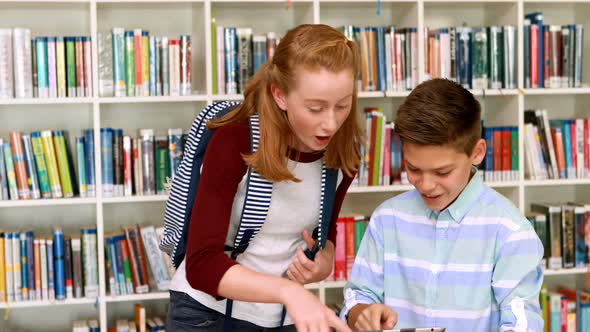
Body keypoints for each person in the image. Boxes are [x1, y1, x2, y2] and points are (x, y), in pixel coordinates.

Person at [166, 24, 361, 332]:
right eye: (315, 107)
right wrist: (289, 291)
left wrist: (320, 265)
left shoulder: (343, 154)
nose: (331, 123)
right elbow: (202, 264)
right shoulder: (236, 141)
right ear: (280, 95)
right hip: (206, 315)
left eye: (343, 105)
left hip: (280, 317)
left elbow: (327, 235)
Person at [341, 78, 544, 332]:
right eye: (413, 169)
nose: (426, 185)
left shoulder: (511, 231)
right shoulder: (386, 219)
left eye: (442, 172)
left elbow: (522, 320)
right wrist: (363, 313)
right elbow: (357, 297)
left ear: (477, 153)